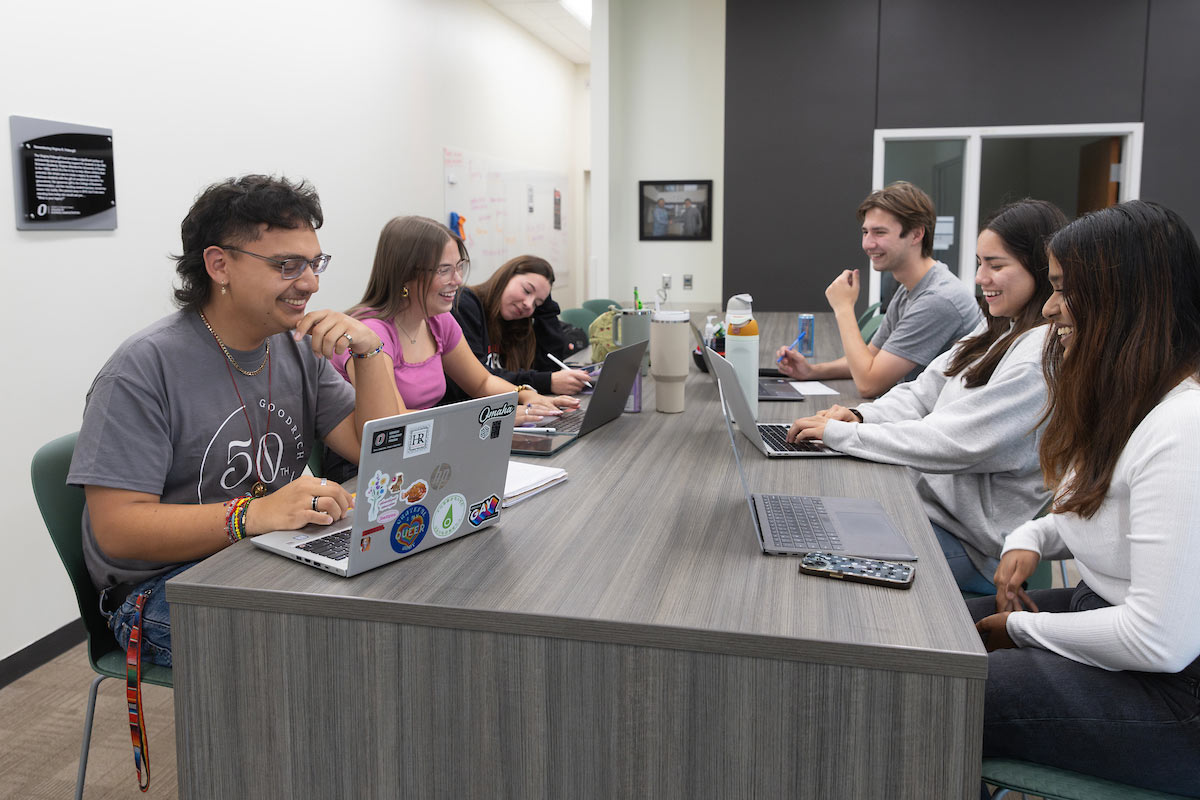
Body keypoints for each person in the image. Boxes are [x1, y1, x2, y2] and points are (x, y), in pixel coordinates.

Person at [67, 175, 401, 665]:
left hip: (268, 548)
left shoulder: (292, 346)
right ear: (219, 264)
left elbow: (381, 452)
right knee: (342, 644)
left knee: (398, 592)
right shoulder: (143, 367)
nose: (309, 282)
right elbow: (118, 528)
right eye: (287, 265)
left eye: (314, 263)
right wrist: (252, 514)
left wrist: (370, 352)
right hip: (159, 588)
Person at [969, 200, 1200, 795]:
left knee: (936, 681)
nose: (1049, 309)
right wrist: (1029, 536)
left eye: (1065, 290)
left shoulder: (1184, 427)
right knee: (930, 632)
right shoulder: (1136, 400)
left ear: (1125, 302)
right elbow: (1096, 505)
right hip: (1109, 620)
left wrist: (1022, 631)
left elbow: (1158, 639)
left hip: (1175, 696)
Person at [788, 199, 1066, 593]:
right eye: (979, 263)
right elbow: (921, 394)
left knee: (815, 560)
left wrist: (843, 435)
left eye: (996, 265)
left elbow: (952, 442)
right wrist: (859, 418)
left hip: (967, 545)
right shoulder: (1000, 330)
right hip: (924, 506)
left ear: (1040, 269)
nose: (980, 277)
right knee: (811, 519)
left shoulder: (1038, 359)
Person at [330, 216, 577, 423]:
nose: (458, 280)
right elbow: (393, 420)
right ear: (405, 274)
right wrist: (495, 415)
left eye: (459, 267)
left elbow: (482, 382)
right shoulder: (372, 334)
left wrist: (526, 395)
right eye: (444, 270)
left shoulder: (438, 321)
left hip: (429, 442)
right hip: (368, 465)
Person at [776, 181, 982, 397]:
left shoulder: (938, 299)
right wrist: (811, 371)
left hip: (935, 423)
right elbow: (871, 358)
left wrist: (843, 308)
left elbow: (869, 384)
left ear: (916, 234)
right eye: (865, 232)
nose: (867, 243)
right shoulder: (908, 289)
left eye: (879, 233)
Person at [444, 254, 593, 402]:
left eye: (537, 304)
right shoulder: (464, 304)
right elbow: (478, 378)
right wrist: (546, 382)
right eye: (527, 290)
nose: (529, 304)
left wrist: (546, 310)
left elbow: (548, 367)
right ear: (506, 277)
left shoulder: (517, 323)